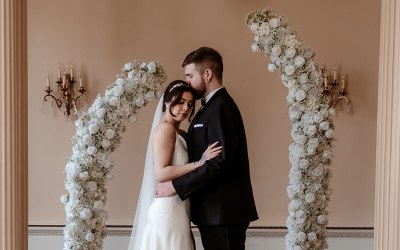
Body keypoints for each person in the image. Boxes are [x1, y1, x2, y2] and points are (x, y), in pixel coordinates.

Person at [156, 47, 258, 250]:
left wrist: (176, 186)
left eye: (190, 75)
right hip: (214, 212)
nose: (187, 82)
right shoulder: (210, 107)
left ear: (208, 74)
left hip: (223, 212)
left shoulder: (221, 108)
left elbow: (219, 162)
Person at [128, 80, 222, 250]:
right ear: (166, 102)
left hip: (178, 206)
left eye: (190, 104)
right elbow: (161, 173)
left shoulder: (180, 132)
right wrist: (199, 163)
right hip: (168, 210)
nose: (186, 108)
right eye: (180, 102)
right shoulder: (166, 129)